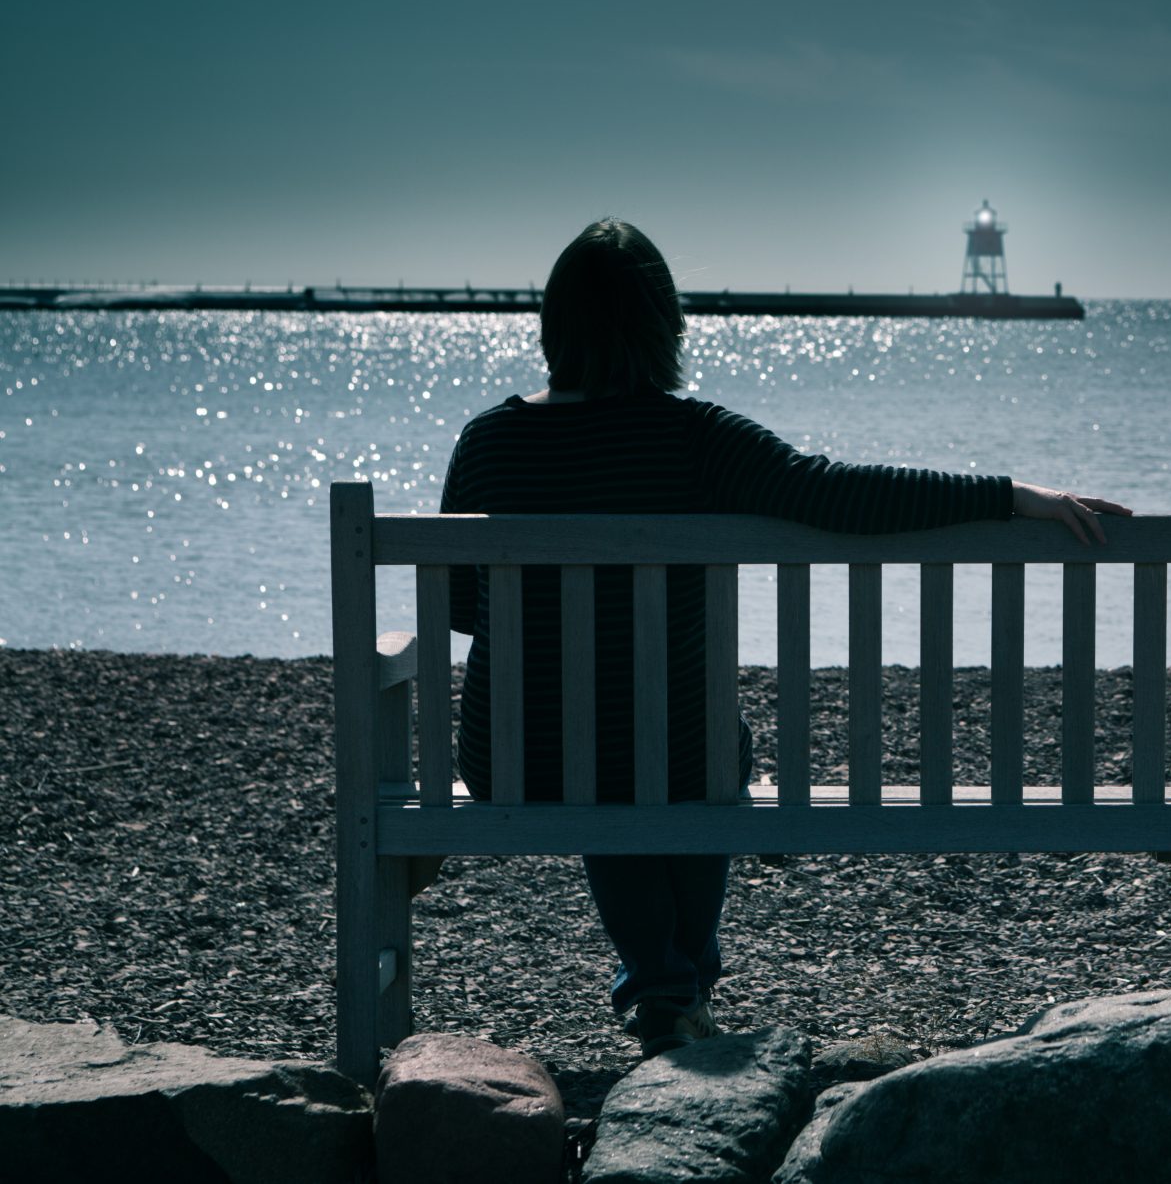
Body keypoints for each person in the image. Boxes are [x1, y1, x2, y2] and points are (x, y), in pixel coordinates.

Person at [439, 218, 1128, 1056]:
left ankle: (664, 980)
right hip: (675, 759)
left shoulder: (487, 440)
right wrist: (1013, 494)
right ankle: (676, 975)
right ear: (665, 325)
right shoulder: (696, 438)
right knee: (685, 746)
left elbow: (460, 611)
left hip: (517, 760)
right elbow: (840, 494)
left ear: (554, 324)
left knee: (602, 747)